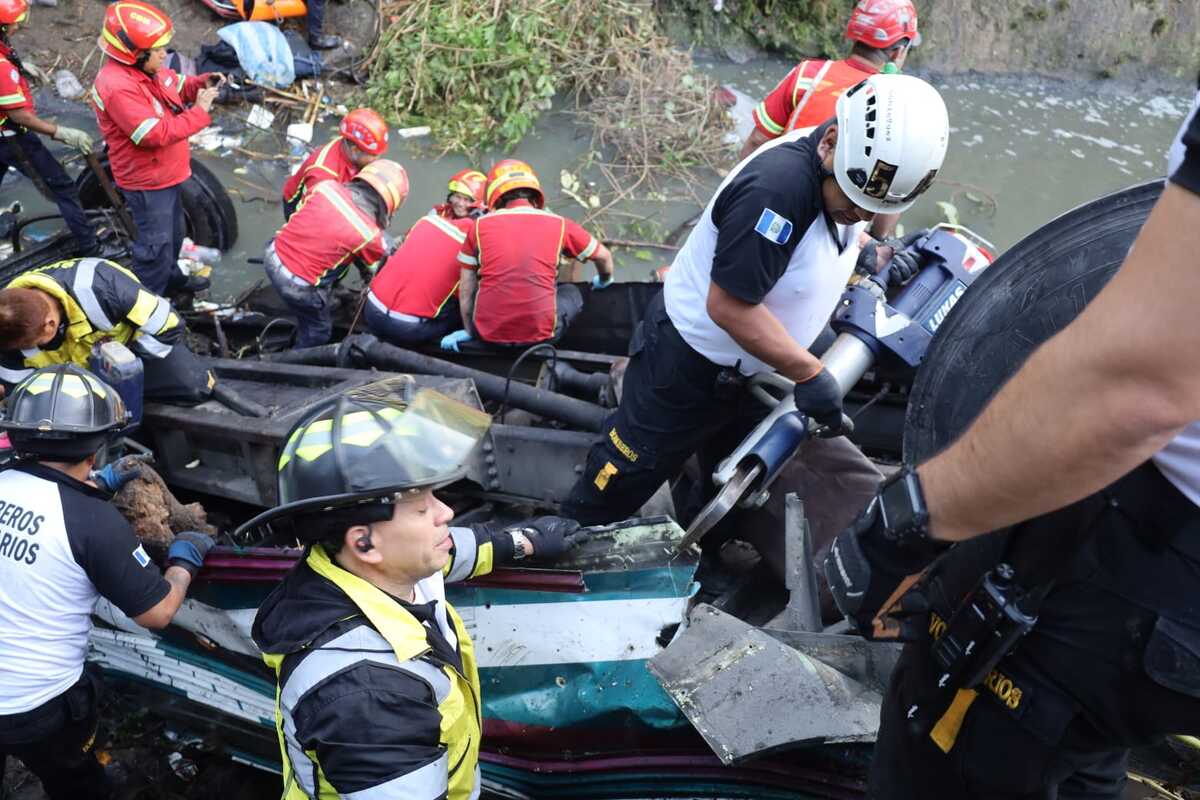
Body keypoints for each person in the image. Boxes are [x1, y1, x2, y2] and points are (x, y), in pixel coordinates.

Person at [822, 89, 1200, 799]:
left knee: (953, 708)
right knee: (1083, 745)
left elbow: (1138, 384)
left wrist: (903, 522)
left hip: (1147, 550)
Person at [562, 74, 948, 531]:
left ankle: (698, 547)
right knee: (621, 478)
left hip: (751, 369)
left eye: (873, 208)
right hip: (686, 367)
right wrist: (810, 373)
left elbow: (836, 229)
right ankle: (561, 547)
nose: (862, 217)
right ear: (829, 144)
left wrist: (872, 249)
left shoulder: (850, 175)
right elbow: (728, 306)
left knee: (730, 479)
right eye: (854, 206)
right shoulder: (776, 192)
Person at [248, 379, 579, 799]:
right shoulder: (368, 697)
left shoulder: (379, 569)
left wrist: (521, 541)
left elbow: (449, 550)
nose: (446, 512)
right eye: (422, 507)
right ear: (363, 543)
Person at [0, 364, 214, 800]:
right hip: (36, 706)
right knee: (75, 782)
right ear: (98, 446)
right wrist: (183, 560)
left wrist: (95, 484)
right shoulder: (94, 522)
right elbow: (157, 612)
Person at [739, 0, 918, 239]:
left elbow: (757, 140)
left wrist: (738, 193)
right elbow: (891, 193)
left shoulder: (808, 74)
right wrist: (877, 240)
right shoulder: (898, 106)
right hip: (835, 227)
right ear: (898, 51)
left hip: (775, 196)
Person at [92, 0, 223, 296]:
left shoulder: (148, 71)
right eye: (158, 50)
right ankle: (148, 307)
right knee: (154, 248)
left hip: (168, 175)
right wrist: (200, 112)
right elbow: (153, 134)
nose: (165, 54)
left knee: (174, 237)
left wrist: (201, 83)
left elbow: (175, 85)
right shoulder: (117, 86)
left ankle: (172, 279)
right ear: (135, 54)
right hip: (147, 183)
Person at [446, 159, 614, 352]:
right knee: (571, 292)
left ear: (495, 195)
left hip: (486, 334)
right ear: (534, 194)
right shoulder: (560, 224)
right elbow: (604, 257)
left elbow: (467, 288)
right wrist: (604, 280)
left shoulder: (478, 226)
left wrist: (469, 330)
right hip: (540, 337)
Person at [265, 158, 407, 348]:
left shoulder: (326, 187)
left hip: (272, 252)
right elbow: (373, 268)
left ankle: (320, 300)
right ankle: (292, 360)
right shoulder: (369, 234)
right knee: (319, 331)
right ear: (390, 204)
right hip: (296, 284)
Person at [0, 0, 103, 257]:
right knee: (63, 187)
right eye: (14, 23)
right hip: (12, 137)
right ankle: (90, 247)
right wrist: (60, 132)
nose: (18, 26)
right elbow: (19, 115)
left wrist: (19, 71)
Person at [0, 256, 184, 393]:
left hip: (134, 359)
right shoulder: (9, 325)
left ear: (50, 324)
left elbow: (169, 326)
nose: (34, 348)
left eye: (35, 343)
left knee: (188, 387)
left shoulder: (107, 289)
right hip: (74, 390)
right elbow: (19, 389)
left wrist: (129, 366)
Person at [364, 170, 486, 346]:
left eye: (466, 199)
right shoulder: (469, 234)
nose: (460, 203)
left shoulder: (427, 221)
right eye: (457, 197)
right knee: (463, 306)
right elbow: (466, 291)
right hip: (406, 325)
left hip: (372, 306)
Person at [281, 107, 388, 220]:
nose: (377, 160)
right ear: (355, 150)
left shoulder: (347, 146)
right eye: (373, 155)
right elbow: (308, 217)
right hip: (299, 207)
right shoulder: (323, 176)